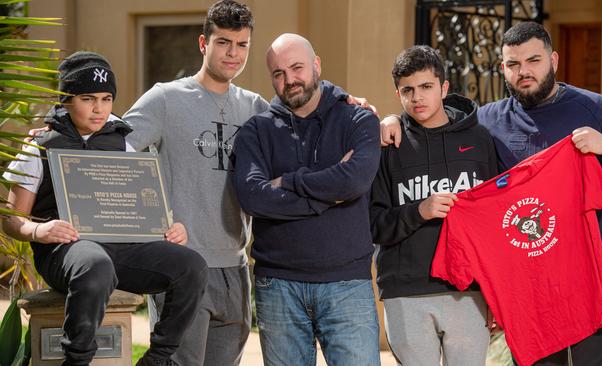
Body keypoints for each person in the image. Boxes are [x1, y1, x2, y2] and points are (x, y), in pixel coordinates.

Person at [380, 21, 602, 366]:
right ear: (502, 69)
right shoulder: (488, 123)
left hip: (595, 271)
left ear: (553, 60)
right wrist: (392, 120)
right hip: (530, 279)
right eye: (513, 64)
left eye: (533, 61)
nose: (524, 72)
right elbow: (438, 129)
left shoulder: (594, 109)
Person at [2, 51, 208, 366]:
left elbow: (145, 208)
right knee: (96, 264)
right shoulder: (40, 146)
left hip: (121, 247)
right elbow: (11, 219)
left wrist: (169, 226)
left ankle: (157, 359)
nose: (99, 109)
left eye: (106, 98)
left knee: (191, 266)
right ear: (66, 99)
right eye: (88, 99)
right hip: (65, 251)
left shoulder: (122, 144)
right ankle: (77, 361)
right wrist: (39, 230)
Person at [122, 2, 266, 364]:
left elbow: (306, 129)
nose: (233, 53)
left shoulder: (256, 109)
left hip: (235, 269)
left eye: (242, 44)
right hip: (182, 266)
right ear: (204, 43)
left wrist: (353, 104)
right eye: (223, 43)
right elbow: (115, 152)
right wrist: (152, 218)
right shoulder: (166, 98)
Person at [233, 33, 381, 365]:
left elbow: (355, 180)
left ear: (316, 65)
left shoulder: (358, 118)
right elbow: (254, 198)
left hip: (346, 283)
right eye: (278, 73)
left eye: (296, 68)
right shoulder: (256, 131)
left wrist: (288, 181)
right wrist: (327, 197)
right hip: (278, 284)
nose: (289, 80)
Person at [370, 45, 498, 366]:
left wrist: (497, 292)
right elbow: (374, 224)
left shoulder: (480, 140)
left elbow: (494, 223)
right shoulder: (389, 145)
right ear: (397, 93)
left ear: (443, 87)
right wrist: (419, 211)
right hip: (406, 289)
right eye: (407, 90)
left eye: (426, 87)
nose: (417, 98)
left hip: (468, 291)